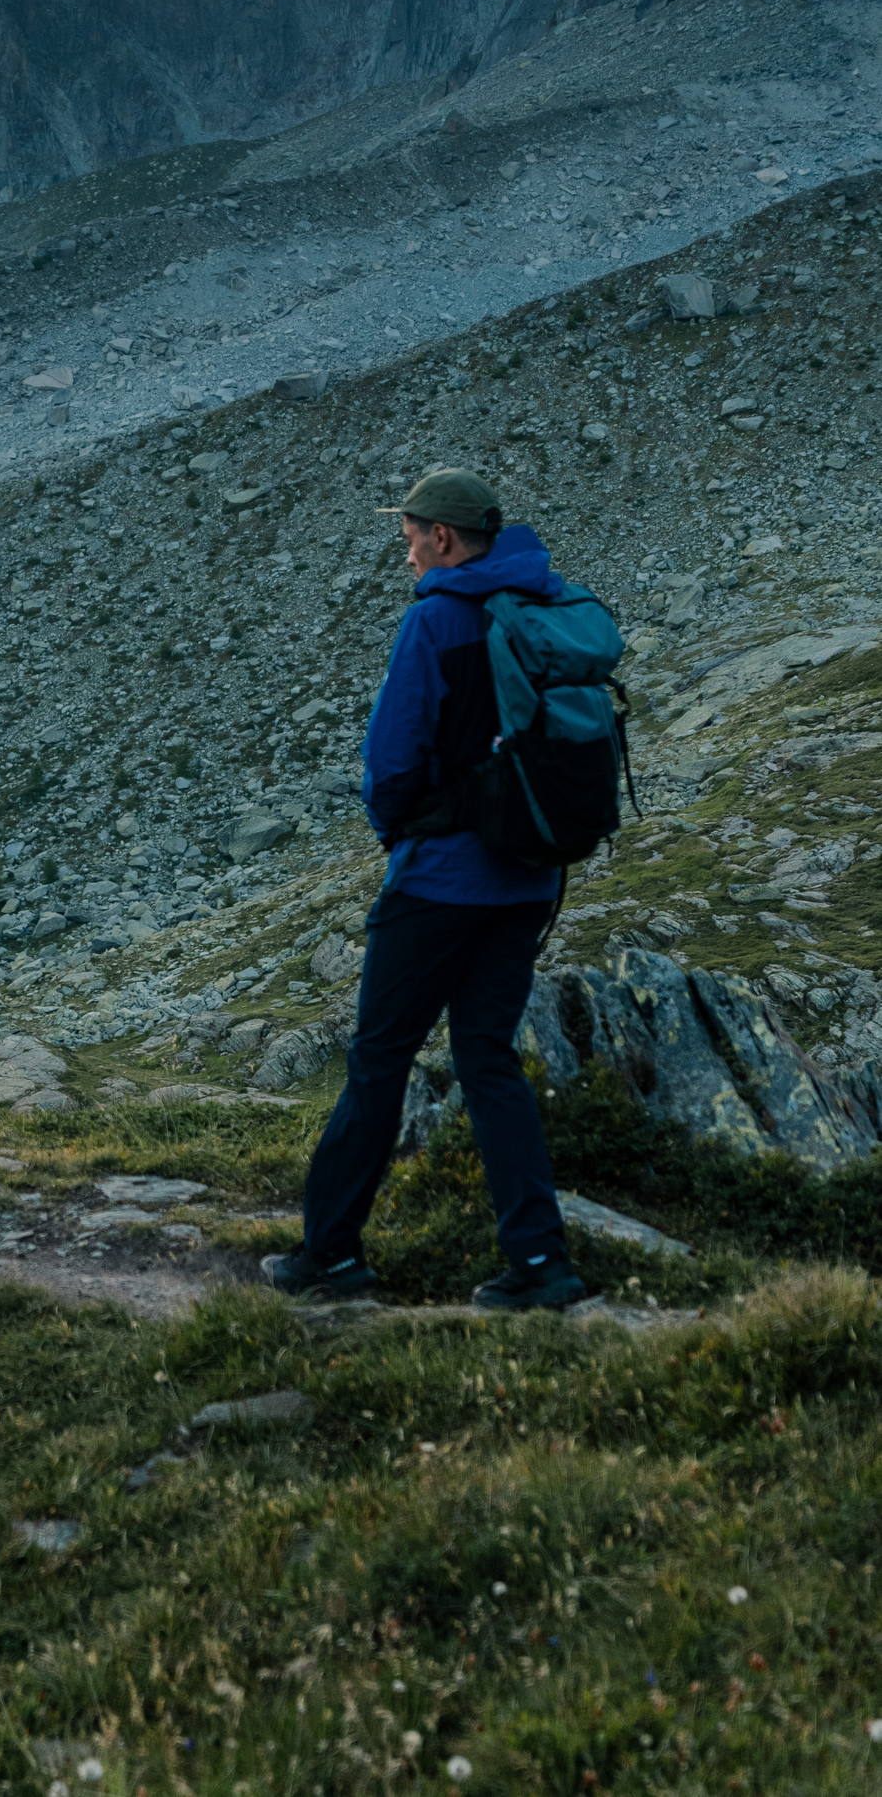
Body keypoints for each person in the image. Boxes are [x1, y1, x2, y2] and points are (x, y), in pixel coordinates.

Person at [264, 469, 589, 1313]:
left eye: (408, 536)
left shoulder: (435, 619)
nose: (404, 550)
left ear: (441, 538)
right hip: (528, 879)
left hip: (442, 881)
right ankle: (540, 1264)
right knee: (486, 1058)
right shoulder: (542, 609)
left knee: (377, 1059)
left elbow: (391, 761)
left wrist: (402, 829)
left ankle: (329, 1254)